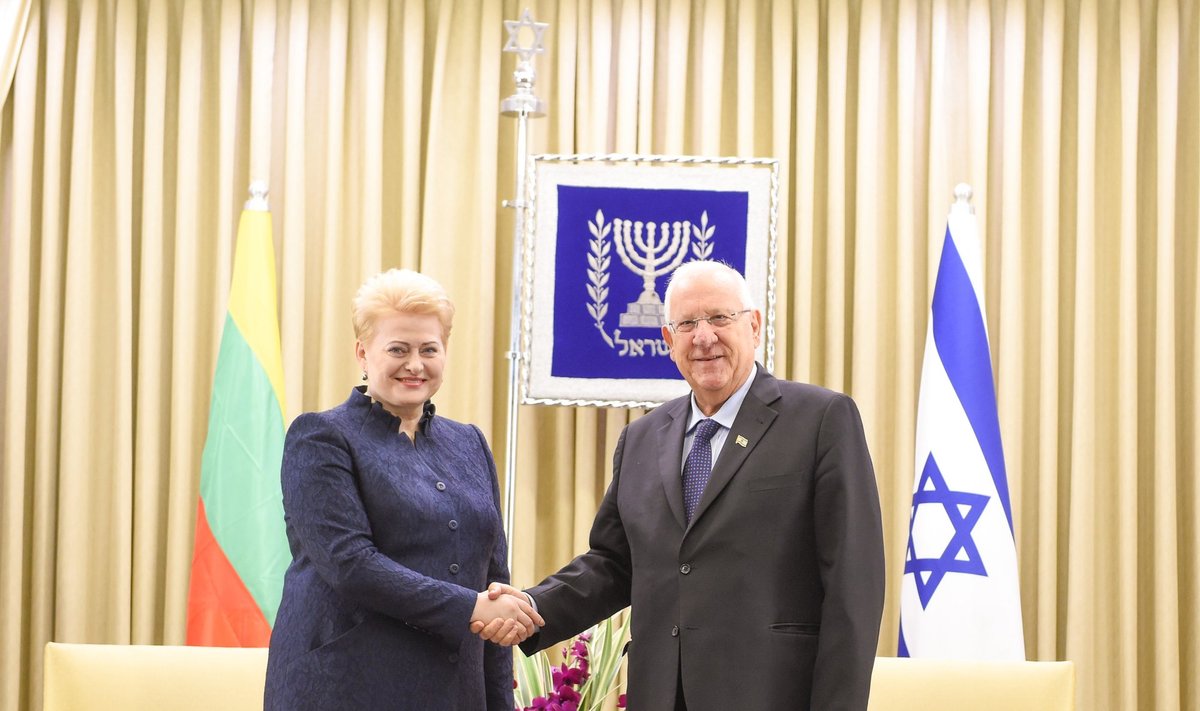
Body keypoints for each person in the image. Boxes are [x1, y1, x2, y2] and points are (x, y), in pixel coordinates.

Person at [476, 260, 885, 710]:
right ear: (669, 341)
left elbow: (853, 585)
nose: (704, 337)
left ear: (754, 326)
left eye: (719, 318)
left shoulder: (821, 420)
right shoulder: (642, 437)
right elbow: (613, 564)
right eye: (687, 323)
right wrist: (531, 609)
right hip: (661, 694)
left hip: (772, 694)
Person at [264, 268, 542, 711]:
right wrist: (472, 608)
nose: (415, 364)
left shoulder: (469, 442)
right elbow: (351, 566)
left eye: (429, 349)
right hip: (347, 688)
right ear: (362, 352)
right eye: (398, 349)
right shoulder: (319, 437)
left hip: (455, 692)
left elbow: (493, 581)